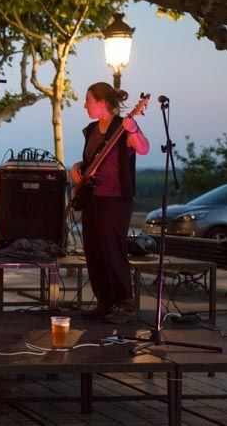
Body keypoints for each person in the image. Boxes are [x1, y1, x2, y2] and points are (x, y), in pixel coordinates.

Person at [70, 82, 150, 324]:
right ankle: (105, 302)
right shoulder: (91, 130)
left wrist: (134, 129)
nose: (85, 105)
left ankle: (125, 303)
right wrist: (77, 167)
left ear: (102, 103)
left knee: (112, 249)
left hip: (115, 199)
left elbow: (144, 149)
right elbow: (89, 161)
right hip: (92, 199)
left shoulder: (123, 127)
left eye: (88, 101)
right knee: (93, 250)